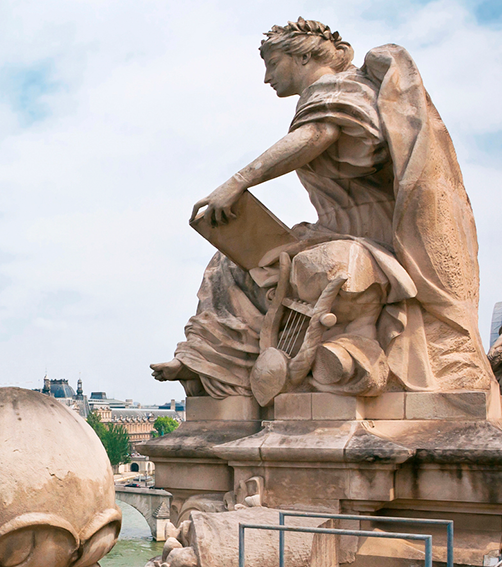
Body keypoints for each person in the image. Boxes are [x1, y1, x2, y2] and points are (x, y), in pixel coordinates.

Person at [152, 18, 497, 402]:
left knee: (313, 265)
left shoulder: (341, 89)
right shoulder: (323, 99)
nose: (267, 78)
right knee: (227, 264)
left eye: (272, 63)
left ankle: (331, 356)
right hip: (333, 230)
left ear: (300, 57)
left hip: (375, 241)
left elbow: (317, 135)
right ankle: (209, 361)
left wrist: (238, 181)